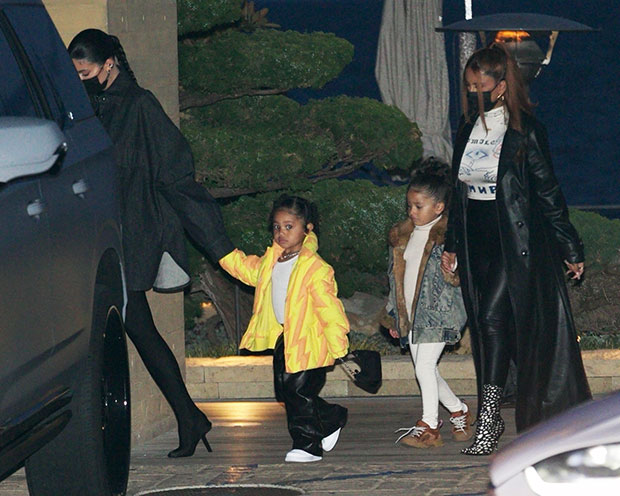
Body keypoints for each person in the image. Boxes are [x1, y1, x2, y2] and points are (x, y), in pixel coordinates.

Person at [68, 29, 235, 457]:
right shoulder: (87, 107)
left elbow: (176, 174)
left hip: (128, 236)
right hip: (97, 237)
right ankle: (189, 417)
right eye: (75, 74)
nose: (80, 80)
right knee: (138, 330)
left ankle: (187, 417)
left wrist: (216, 242)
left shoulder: (139, 106)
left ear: (109, 64)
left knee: (137, 329)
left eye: (85, 72)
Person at [441, 43, 591, 455]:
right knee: (486, 326)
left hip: (515, 241)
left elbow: (548, 192)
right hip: (477, 238)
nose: (473, 92)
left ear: (502, 86)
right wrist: (452, 244)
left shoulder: (526, 130)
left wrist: (569, 245)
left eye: (481, 86)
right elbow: (458, 191)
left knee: (492, 316)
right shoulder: (466, 127)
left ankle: (489, 418)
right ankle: (496, 409)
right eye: (469, 86)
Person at [219, 195, 349, 463]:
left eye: (289, 226)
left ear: (307, 228)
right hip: (285, 338)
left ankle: (307, 444)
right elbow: (246, 269)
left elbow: (329, 308)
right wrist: (222, 252)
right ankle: (330, 416)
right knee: (285, 390)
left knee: (298, 391)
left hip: (309, 339)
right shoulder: (272, 261)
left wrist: (339, 344)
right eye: (277, 227)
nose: (281, 233)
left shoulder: (315, 267)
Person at [381, 159, 471, 448]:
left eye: (419, 206)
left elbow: (459, 279)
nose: (412, 211)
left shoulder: (448, 238)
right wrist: (394, 315)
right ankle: (459, 410)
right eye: (410, 205)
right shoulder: (402, 236)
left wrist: (453, 267)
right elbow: (395, 280)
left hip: (439, 316)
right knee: (427, 370)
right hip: (413, 317)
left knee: (424, 368)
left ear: (439, 207)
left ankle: (429, 426)